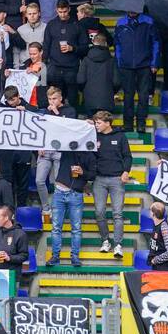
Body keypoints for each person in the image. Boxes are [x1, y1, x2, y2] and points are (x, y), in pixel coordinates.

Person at [46, 139, 97, 267]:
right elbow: (59, 140)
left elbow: (92, 175)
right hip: (59, 191)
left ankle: (74, 257)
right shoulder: (68, 148)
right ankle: (55, 256)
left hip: (75, 193)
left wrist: (82, 172)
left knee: (76, 228)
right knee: (57, 227)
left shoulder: (90, 155)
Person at [91, 110, 132, 257]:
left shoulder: (120, 136)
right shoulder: (93, 136)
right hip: (99, 179)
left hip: (116, 179)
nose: (97, 125)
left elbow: (128, 156)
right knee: (99, 212)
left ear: (108, 123)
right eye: (95, 122)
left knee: (117, 214)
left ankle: (118, 244)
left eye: (99, 123)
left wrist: (126, 171)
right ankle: (105, 240)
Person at [114, 11, 158, 135]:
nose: (131, 10)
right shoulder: (120, 23)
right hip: (126, 65)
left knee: (143, 95)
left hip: (144, 64)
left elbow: (156, 43)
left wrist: (154, 63)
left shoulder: (148, 21)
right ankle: (127, 124)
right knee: (128, 95)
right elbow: (117, 45)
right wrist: (119, 61)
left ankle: (141, 124)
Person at [0, 205, 29, 272]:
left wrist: (9, 258)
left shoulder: (20, 234)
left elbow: (24, 255)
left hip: (11, 274)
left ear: (6, 218)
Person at [146, 202, 168, 269]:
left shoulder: (164, 227)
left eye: (150, 210)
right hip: (157, 268)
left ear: (153, 214)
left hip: (165, 269)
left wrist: (155, 260)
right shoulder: (156, 225)